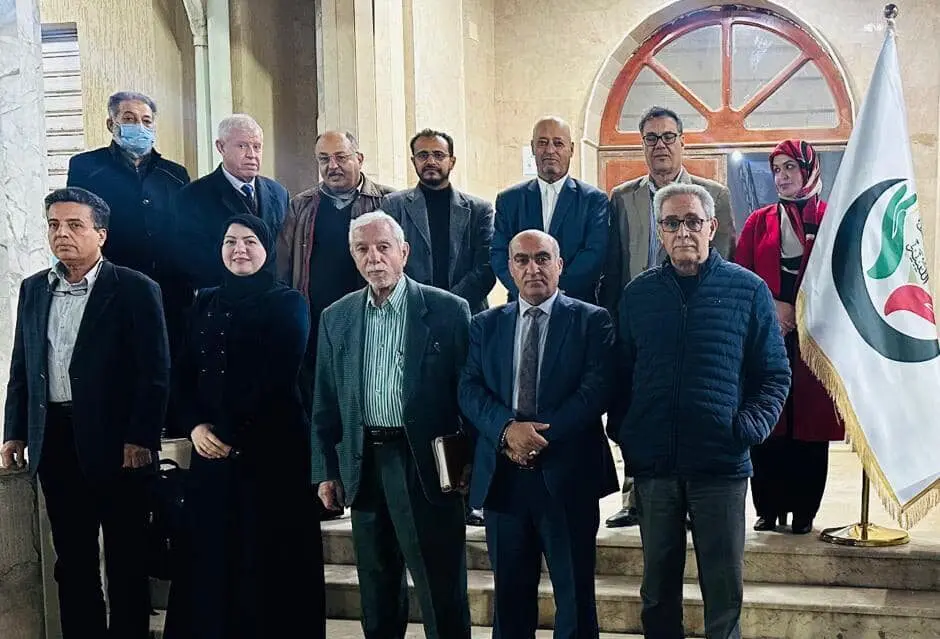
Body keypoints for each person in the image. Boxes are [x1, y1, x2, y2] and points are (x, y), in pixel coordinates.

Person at [609, 183, 790, 639]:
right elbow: (619, 373)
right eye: (672, 223)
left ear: (712, 227)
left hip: (720, 464)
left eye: (693, 221)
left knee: (723, 590)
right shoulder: (638, 295)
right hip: (655, 467)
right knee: (657, 591)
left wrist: (745, 428)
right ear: (660, 232)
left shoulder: (748, 290)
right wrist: (628, 432)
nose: (683, 232)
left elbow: (774, 374)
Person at [1, 187, 170, 639]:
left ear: (101, 234)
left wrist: (141, 437)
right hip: (55, 438)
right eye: (54, 225)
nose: (63, 234)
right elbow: (23, 365)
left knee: (126, 557)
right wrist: (15, 431)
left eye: (75, 225)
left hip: (119, 444)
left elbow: (155, 371)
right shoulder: (34, 288)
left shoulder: (134, 288)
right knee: (72, 559)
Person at [311, 211, 471, 639]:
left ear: (404, 252)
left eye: (383, 248)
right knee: (376, 586)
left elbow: (468, 395)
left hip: (426, 463)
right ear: (352, 256)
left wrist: (469, 465)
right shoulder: (336, 317)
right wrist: (326, 471)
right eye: (362, 249)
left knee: (440, 585)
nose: (374, 258)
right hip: (364, 463)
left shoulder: (448, 310)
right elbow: (325, 401)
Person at [163, 214, 324, 639]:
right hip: (212, 455)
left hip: (272, 456)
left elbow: (277, 375)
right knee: (211, 562)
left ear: (267, 249)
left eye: (250, 241)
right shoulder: (204, 302)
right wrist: (196, 427)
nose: (239, 250)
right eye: (230, 241)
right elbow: (182, 373)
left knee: (269, 561)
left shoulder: (289, 302)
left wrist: (227, 433)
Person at [459, 229, 618, 638]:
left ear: (559, 265)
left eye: (542, 258)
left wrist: (536, 437)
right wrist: (507, 431)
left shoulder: (592, 320)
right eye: (523, 260)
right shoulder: (485, 325)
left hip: (567, 477)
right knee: (510, 599)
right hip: (503, 478)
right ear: (509, 269)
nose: (533, 268)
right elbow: (469, 389)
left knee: (575, 598)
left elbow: (596, 390)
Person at [601, 105, 736, 529]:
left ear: (682, 142)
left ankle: (693, 499)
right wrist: (613, 318)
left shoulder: (714, 195)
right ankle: (635, 497)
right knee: (636, 403)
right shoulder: (622, 197)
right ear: (642, 145)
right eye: (651, 138)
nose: (660, 145)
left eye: (668, 137)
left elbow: (724, 258)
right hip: (640, 319)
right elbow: (615, 262)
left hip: (694, 318)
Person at [734, 139, 843, 534]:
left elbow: (840, 279)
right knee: (768, 422)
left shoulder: (831, 219)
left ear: (808, 170)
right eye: (776, 170)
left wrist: (800, 312)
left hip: (815, 341)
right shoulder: (758, 222)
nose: (781, 177)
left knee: (809, 429)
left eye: (790, 168)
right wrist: (773, 310)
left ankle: (803, 512)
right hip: (769, 337)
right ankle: (768, 508)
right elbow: (741, 278)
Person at [67, 91, 191, 361]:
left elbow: (185, 234)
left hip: (167, 292)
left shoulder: (174, 174)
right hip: (110, 288)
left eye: (146, 121)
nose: (140, 127)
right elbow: (77, 226)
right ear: (111, 124)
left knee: (165, 365)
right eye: (129, 119)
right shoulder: (86, 167)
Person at [276, 130, 395, 403]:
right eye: (324, 159)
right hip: (315, 328)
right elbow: (282, 269)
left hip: (373, 324)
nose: (332, 166)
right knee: (321, 406)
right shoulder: (300, 206)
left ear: (359, 159)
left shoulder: (388, 202)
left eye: (341, 157)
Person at [491, 116, 608, 304]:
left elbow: (594, 254)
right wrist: (527, 291)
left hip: (575, 305)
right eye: (542, 143)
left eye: (558, 143)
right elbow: (499, 253)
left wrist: (554, 293)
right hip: (522, 305)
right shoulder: (509, 201)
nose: (550, 150)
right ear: (532, 147)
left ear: (571, 149)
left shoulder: (593, 200)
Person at [383, 128, 495, 314]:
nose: (431, 161)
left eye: (438, 155)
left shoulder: (480, 210)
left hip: (466, 313)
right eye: (423, 155)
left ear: (452, 161)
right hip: (411, 313)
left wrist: (450, 304)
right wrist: (421, 305)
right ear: (413, 161)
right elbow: (386, 260)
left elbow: (486, 266)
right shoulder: (393, 206)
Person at [175, 114, 289, 291]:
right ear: (220, 147)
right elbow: (192, 261)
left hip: (271, 297)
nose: (252, 155)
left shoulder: (279, 193)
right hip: (222, 297)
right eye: (242, 146)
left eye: (257, 147)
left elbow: (283, 253)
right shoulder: (193, 196)